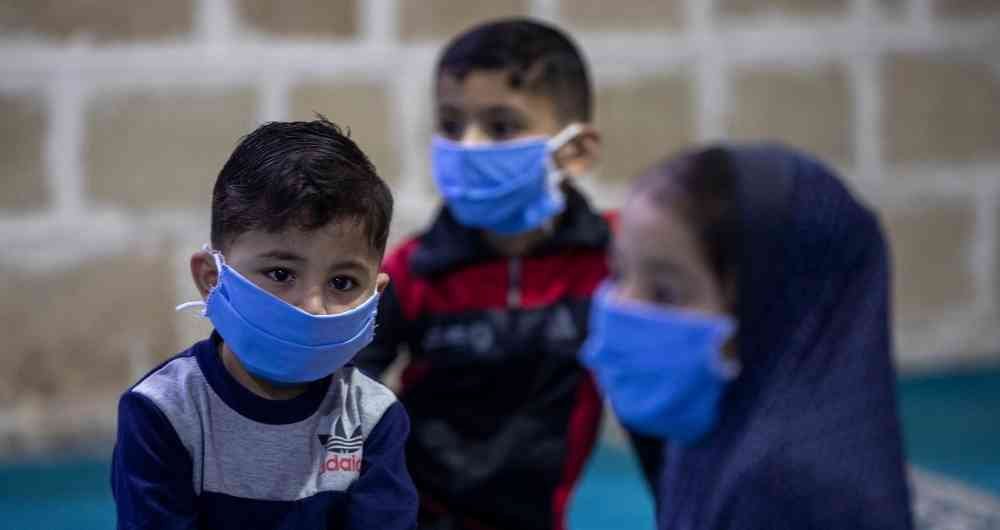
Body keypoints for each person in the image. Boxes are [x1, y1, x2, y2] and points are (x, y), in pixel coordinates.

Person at [355, 18, 658, 530]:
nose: (468, 147)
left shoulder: (611, 264)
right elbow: (345, 397)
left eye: (500, 127)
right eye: (451, 125)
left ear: (575, 152)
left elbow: (656, 418)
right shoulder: (411, 270)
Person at [581, 144, 914, 529]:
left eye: (664, 293)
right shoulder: (715, 424)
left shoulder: (786, 491)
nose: (622, 307)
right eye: (619, 274)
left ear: (772, 307)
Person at [111, 118, 418, 530]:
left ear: (375, 296)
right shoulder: (163, 411)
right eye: (280, 274)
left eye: (342, 282)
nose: (312, 307)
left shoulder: (374, 418)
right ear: (212, 279)